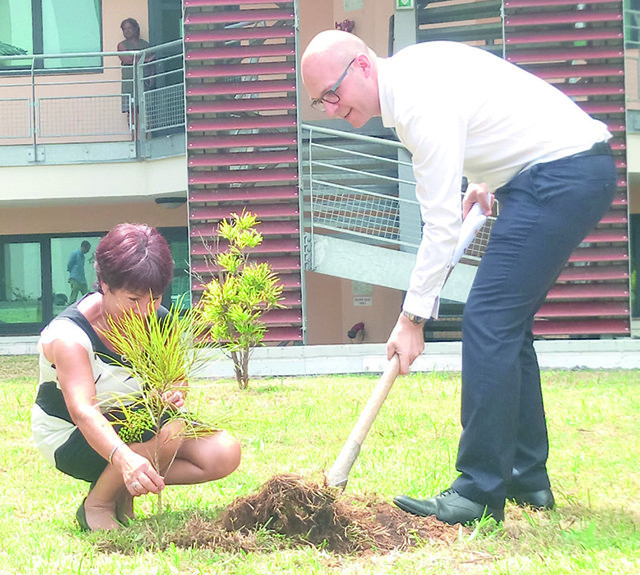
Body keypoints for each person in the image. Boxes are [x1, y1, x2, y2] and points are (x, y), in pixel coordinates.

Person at [301, 31, 617, 525]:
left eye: (332, 93)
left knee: (489, 321)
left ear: (362, 66)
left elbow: (441, 227)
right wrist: (484, 177)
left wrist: (412, 317)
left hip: (558, 177)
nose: (330, 106)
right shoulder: (413, 80)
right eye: (320, 101)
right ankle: (525, 477)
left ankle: (476, 491)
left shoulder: (414, 100)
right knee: (505, 327)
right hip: (553, 174)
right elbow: (487, 106)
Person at [32, 223, 241, 531]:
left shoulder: (158, 320)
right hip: (72, 437)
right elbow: (84, 412)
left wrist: (174, 392)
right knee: (169, 429)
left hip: (141, 424)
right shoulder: (70, 337)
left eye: (154, 298)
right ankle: (98, 503)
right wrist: (125, 461)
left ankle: (119, 487)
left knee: (223, 453)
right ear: (104, 284)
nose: (145, 310)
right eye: (133, 299)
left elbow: (177, 380)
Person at [117, 18, 153, 121]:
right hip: (130, 81)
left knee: (145, 109)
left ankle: (146, 136)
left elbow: (152, 63)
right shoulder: (122, 45)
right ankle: (134, 136)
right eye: (124, 29)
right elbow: (127, 59)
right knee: (131, 110)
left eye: (129, 28)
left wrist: (152, 77)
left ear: (136, 29)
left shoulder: (145, 44)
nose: (127, 31)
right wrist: (145, 60)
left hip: (144, 79)